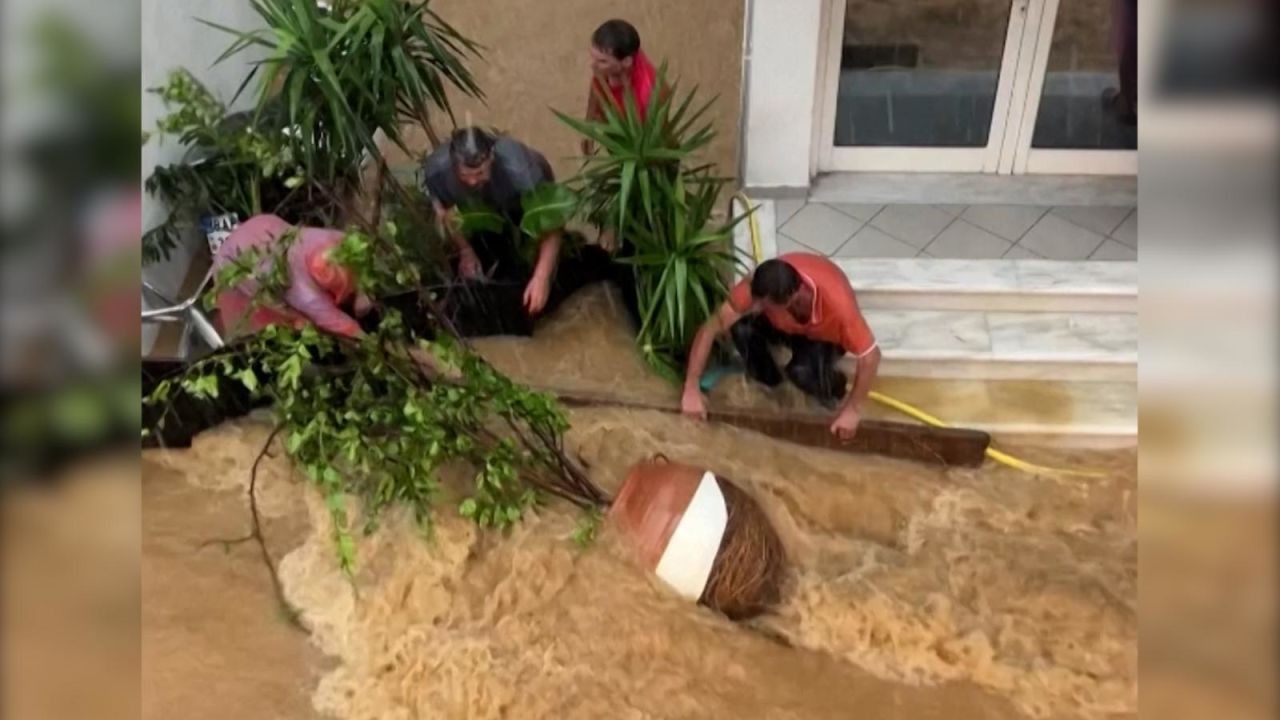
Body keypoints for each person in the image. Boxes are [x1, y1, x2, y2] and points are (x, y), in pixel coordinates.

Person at [422, 127, 633, 336]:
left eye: (479, 173)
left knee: (538, 270)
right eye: (465, 175)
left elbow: (551, 223)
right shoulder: (437, 171)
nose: (472, 181)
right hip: (482, 206)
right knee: (492, 252)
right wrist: (466, 251)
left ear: (492, 158)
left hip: (524, 198)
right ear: (453, 165)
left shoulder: (519, 170)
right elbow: (446, 214)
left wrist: (541, 278)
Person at [680, 254, 881, 440]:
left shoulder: (839, 309)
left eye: (764, 305)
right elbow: (711, 327)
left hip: (822, 337)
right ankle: (771, 383)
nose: (756, 307)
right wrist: (691, 387)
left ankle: (832, 389)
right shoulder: (758, 284)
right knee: (741, 328)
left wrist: (853, 410)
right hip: (784, 325)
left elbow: (871, 357)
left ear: (794, 296)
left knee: (801, 372)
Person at [213, 213, 370, 339]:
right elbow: (332, 320)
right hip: (240, 266)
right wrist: (365, 339)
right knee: (290, 315)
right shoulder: (303, 291)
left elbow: (358, 251)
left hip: (260, 230)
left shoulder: (324, 240)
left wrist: (363, 294)